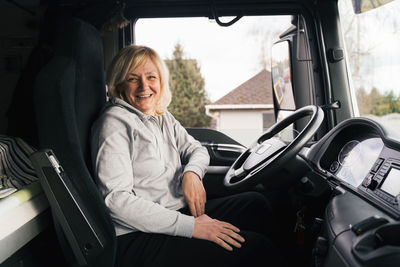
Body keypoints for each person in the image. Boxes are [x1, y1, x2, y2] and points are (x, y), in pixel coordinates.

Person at [91, 45, 282, 267]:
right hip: (136, 234)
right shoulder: (114, 123)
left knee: (255, 205)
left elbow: (197, 149)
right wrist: (192, 227)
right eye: (133, 79)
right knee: (257, 249)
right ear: (120, 84)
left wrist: (192, 173)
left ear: (161, 81)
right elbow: (116, 201)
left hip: (174, 212)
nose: (144, 86)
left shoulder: (161, 116)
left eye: (151, 77)